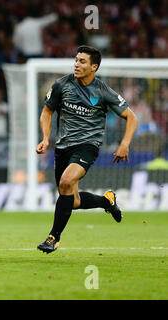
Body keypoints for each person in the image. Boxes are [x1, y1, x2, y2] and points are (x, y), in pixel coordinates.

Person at [35, 45, 138, 254]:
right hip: (62, 147)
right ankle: (106, 201)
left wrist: (125, 143)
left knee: (66, 181)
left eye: (82, 61)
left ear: (94, 67)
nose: (76, 64)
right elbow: (47, 111)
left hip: (87, 146)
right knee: (72, 200)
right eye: (76, 60)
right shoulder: (61, 85)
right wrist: (46, 138)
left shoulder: (102, 91)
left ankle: (53, 237)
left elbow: (132, 117)